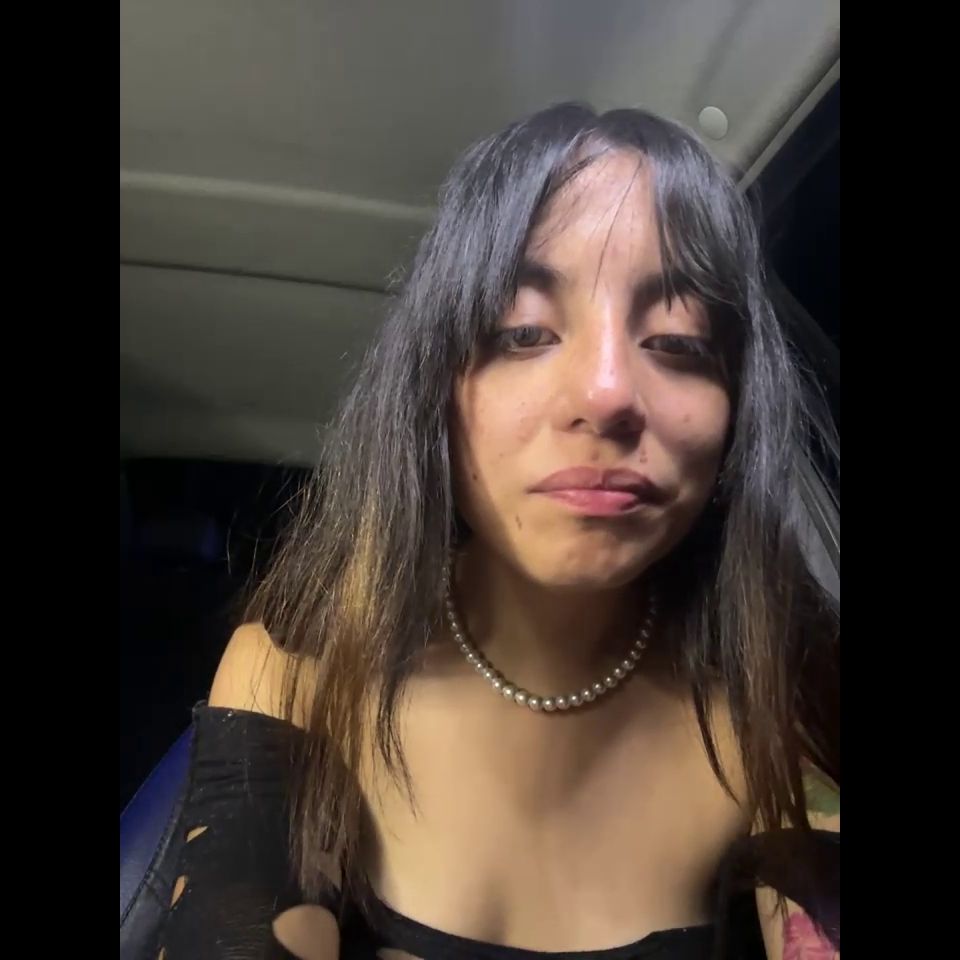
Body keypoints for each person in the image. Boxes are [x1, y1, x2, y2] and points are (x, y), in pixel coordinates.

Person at [153, 102, 840, 960]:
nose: (606, 394)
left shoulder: (783, 703)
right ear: (434, 388)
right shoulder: (296, 674)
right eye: (523, 331)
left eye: (678, 341)